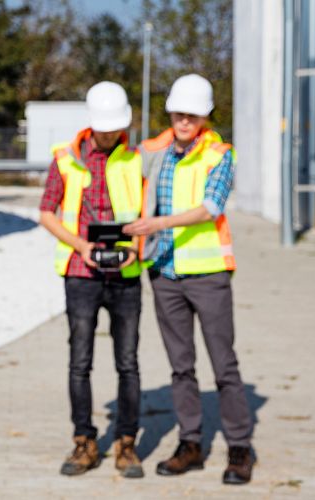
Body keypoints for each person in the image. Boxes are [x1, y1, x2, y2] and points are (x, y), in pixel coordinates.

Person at [124, 74, 254, 485]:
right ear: (171, 113)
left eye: (192, 115)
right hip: (164, 272)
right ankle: (191, 443)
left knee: (224, 365)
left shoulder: (219, 154)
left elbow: (211, 207)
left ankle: (238, 447)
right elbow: (127, 182)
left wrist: (157, 223)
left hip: (208, 273)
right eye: (179, 113)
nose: (184, 121)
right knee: (181, 367)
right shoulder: (151, 150)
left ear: (205, 115)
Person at [38, 81, 144, 479]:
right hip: (81, 274)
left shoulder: (137, 159)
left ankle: (126, 443)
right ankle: (84, 441)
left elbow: (148, 212)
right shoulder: (65, 159)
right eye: (103, 127)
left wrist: (137, 245)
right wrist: (80, 245)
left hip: (126, 275)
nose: (108, 133)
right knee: (79, 362)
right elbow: (47, 212)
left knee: (128, 362)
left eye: (115, 127)